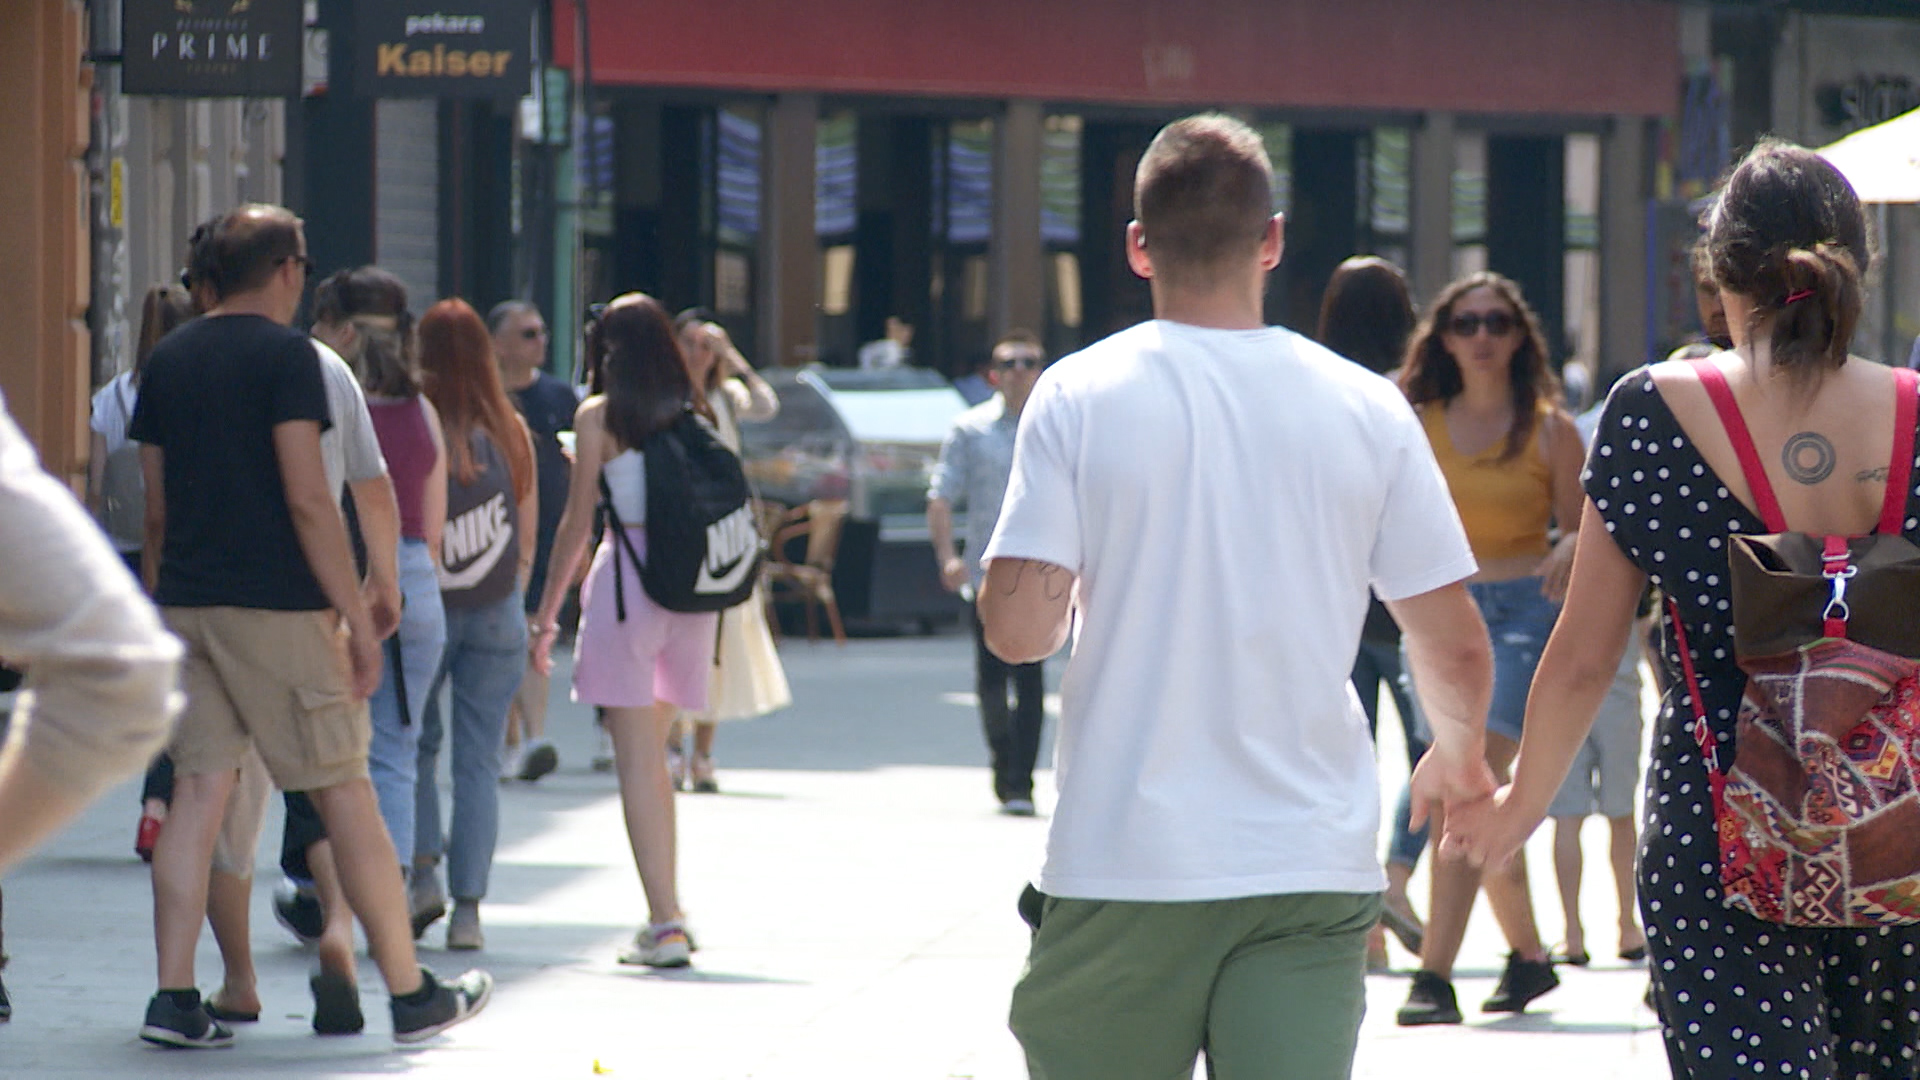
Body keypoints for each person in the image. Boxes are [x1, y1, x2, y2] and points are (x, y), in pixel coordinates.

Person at [978, 114, 1497, 1080]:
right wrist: (1457, 759)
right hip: (1307, 863)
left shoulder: (1076, 394)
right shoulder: (1366, 405)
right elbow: (1454, 643)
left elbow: (1016, 634)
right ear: (1273, 239)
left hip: (1127, 861)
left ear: (1139, 246)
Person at [1448, 139, 1920, 1078]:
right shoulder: (1914, 411)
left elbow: (1585, 658)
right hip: (1897, 840)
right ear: (1854, 269)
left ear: (1721, 275)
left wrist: (1518, 808)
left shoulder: (1652, 413)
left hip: (1720, 844)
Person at [130, 204, 490, 1048]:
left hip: (187, 602)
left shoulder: (168, 358)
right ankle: (409, 992)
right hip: (279, 607)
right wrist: (359, 620)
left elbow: (154, 510)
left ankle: (175, 999)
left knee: (197, 795)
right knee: (345, 788)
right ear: (288, 269)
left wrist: (160, 607)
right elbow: (307, 497)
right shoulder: (291, 359)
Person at [1389, 270, 1585, 1026]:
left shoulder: (1550, 429)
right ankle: (1529, 958)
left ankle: (1434, 978)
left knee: (1467, 782)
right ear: (1441, 335)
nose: (1480, 336)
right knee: (1470, 788)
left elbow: (1581, 531)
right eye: (1465, 322)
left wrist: (1570, 542)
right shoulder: (1414, 420)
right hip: (1437, 621)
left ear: (1519, 337)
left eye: (1496, 323)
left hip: (1522, 618)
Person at [530, 293, 720, 969]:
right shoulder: (690, 410)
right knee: (658, 759)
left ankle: (664, 922)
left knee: (638, 763)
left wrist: (546, 614)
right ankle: (670, 910)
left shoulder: (598, 415)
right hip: (693, 597)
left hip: (627, 590)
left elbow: (576, 527)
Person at [312, 267, 449, 936]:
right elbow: (436, 522)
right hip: (419, 583)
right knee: (398, 749)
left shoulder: (326, 402)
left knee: (334, 761)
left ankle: (340, 909)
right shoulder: (421, 410)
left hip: (348, 580)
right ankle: (385, 908)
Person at [409, 298, 536, 952]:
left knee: (418, 747)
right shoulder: (512, 431)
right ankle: (469, 914)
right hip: (495, 612)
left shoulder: (414, 426)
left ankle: (422, 873)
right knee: (479, 762)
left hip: (427, 610)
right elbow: (526, 541)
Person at [1314, 256, 1427, 969]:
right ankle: (1398, 877)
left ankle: (1364, 921)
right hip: (1410, 608)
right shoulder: (1413, 398)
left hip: (1336, 607)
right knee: (1429, 756)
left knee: (1343, 760)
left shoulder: (1316, 393)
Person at [930, 329, 1050, 816]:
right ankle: (1003, 762)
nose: (1020, 371)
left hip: (1045, 571)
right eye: (1011, 363)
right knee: (991, 676)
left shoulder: (1056, 427)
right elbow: (940, 495)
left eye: (1030, 362)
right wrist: (946, 557)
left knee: (1033, 676)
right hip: (987, 572)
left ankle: (1022, 779)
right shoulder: (969, 429)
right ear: (993, 375)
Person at [670, 309, 788, 793]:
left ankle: (703, 753)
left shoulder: (725, 394)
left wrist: (733, 358)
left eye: (706, 346)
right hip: (680, 524)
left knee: (724, 641)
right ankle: (674, 746)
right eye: (691, 344)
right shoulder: (668, 397)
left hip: (727, 529)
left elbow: (767, 404)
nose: (699, 354)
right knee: (681, 635)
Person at [99, 285, 196, 863]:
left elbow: (95, 488)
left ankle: (156, 803)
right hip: (176, 554)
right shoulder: (195, 391)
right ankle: (160, 807)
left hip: (122, 552)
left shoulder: (110, 397)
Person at [490, 300, 575, 782]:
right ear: (497, 344)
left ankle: (533, 738)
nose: (540, 340)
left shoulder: (561, 397)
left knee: (536, 633)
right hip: (494, 532)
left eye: (541, 331)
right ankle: (510, 739)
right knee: (505, 637)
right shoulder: (484, 397)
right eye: (527, 333)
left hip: (547, 534)